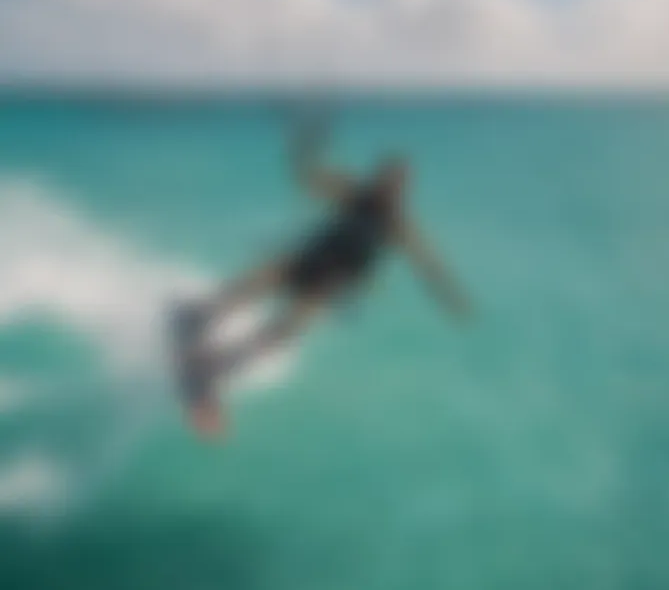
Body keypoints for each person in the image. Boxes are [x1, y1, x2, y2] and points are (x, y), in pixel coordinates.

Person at [172, 117, 473, 437]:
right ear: (378, 176)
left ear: (404, 189)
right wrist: (305, 146)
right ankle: (195, 317)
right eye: (387, 179)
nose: (390, 187)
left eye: (398, 184)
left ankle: (215, 369)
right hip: (305, 260)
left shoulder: (399, 225)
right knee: (251, 285)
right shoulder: (354, 192)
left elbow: (428, 264)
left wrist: (450, 296)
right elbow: (307, 177)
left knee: (280, 334)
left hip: (326, 287)